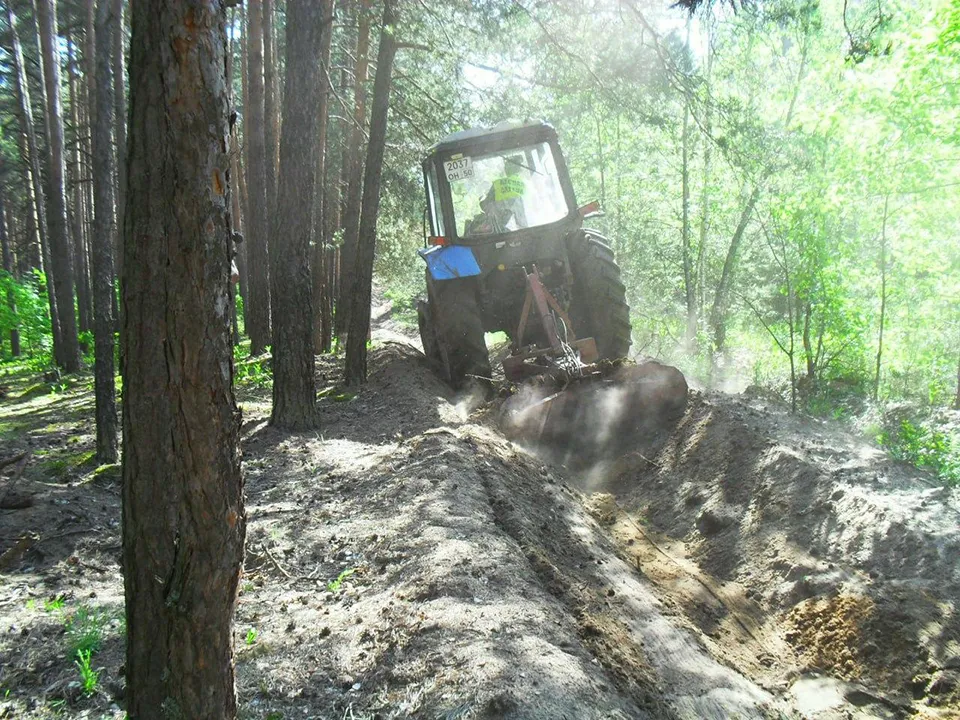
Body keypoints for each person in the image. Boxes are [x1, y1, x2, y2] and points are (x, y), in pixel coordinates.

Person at [465, 155, 528, 235]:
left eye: (506, 166)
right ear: (519, 169)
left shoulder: (498, 184)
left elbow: (486, 205)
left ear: (508, 168)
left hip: (500, 232)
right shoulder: (527, 184)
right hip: (523, 231)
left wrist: (481, 201)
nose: (505, 168)